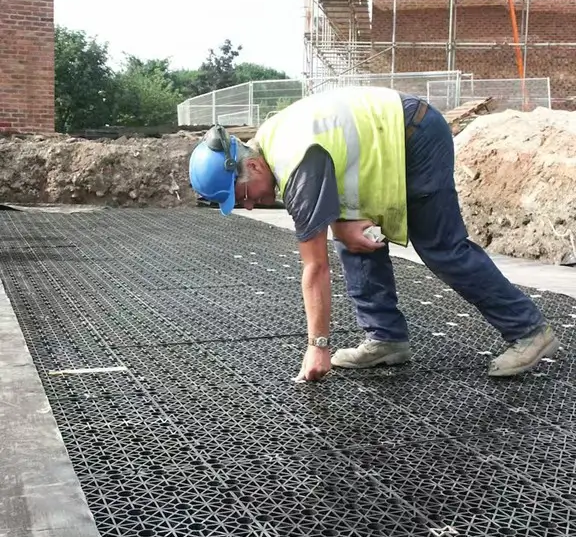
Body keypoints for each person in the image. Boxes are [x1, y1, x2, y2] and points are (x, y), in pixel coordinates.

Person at [188, 86, 559, 382]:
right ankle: (386, 338)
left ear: (251, 165)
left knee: (440, 246)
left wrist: (318, 347)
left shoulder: (294, 160)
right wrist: (344, 225)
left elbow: (315, 268)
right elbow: (328, 190)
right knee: (355, 243)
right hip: (384, 139)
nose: (249, 206)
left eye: (242, 196)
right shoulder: (269, 146)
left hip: (414, 133)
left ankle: (528, 330)